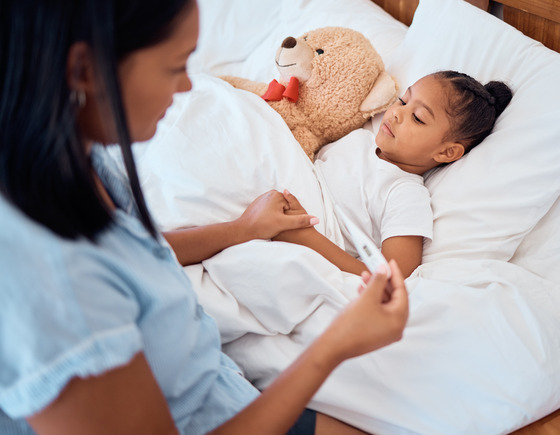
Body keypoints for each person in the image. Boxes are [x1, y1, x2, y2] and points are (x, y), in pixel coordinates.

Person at [0, 1, 409, 434]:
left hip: (217, 386)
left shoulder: (70, 155)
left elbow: (130, 252)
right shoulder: (53, 289)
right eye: (174, 66)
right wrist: (334, 346)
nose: (186, 87)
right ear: (84, 69)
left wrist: (243, 230)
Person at [274, 71, 513, 278]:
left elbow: (392, 275)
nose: (397, 113)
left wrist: (306, 237)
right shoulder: (360, 138)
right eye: (402, 101)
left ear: (447, 151)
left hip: (302, 229)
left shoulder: (405, 193)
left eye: (418, 118)